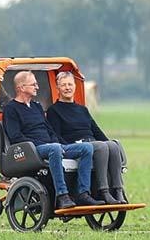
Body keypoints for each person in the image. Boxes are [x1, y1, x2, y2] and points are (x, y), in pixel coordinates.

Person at [2, 71, 102, 209]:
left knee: (86, 148)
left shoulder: (37, 106)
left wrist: (57, 143)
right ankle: (62, 195)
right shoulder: (11, 109)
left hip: (51, 146)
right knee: (54, 149)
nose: (37, 87)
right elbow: (15, 137)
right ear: (21, 87)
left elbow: (49, 130)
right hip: (31, 149)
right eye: (33, 84)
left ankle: (83, 193)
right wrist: (48, 145)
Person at [47, 71, 128, 205]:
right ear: (57, 88)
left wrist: (108, 142)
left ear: (75, 86)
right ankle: (104, 191)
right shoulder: (54, 110)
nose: (67, 88)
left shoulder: (82, 109)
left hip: (92, 143)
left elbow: (95, 130)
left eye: (70, 84)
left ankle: (118, 190)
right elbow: (56, 135)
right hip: (75, 146)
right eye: (63, 85)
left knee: (112, 145)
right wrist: (70, 148)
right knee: (101, 146)